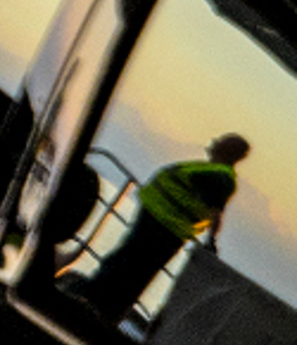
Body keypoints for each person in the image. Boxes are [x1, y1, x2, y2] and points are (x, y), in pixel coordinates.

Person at [73, 133, 250, 324]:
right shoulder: (213, 170)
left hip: (164, 228)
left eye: (221, 141)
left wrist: (211, 241)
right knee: (125, 263)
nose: (214, 142)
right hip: (158, 220)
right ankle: (95, 302)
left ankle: (96, 307)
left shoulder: (221, 176)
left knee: (128, 268)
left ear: (227, 150)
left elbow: (215, 211)